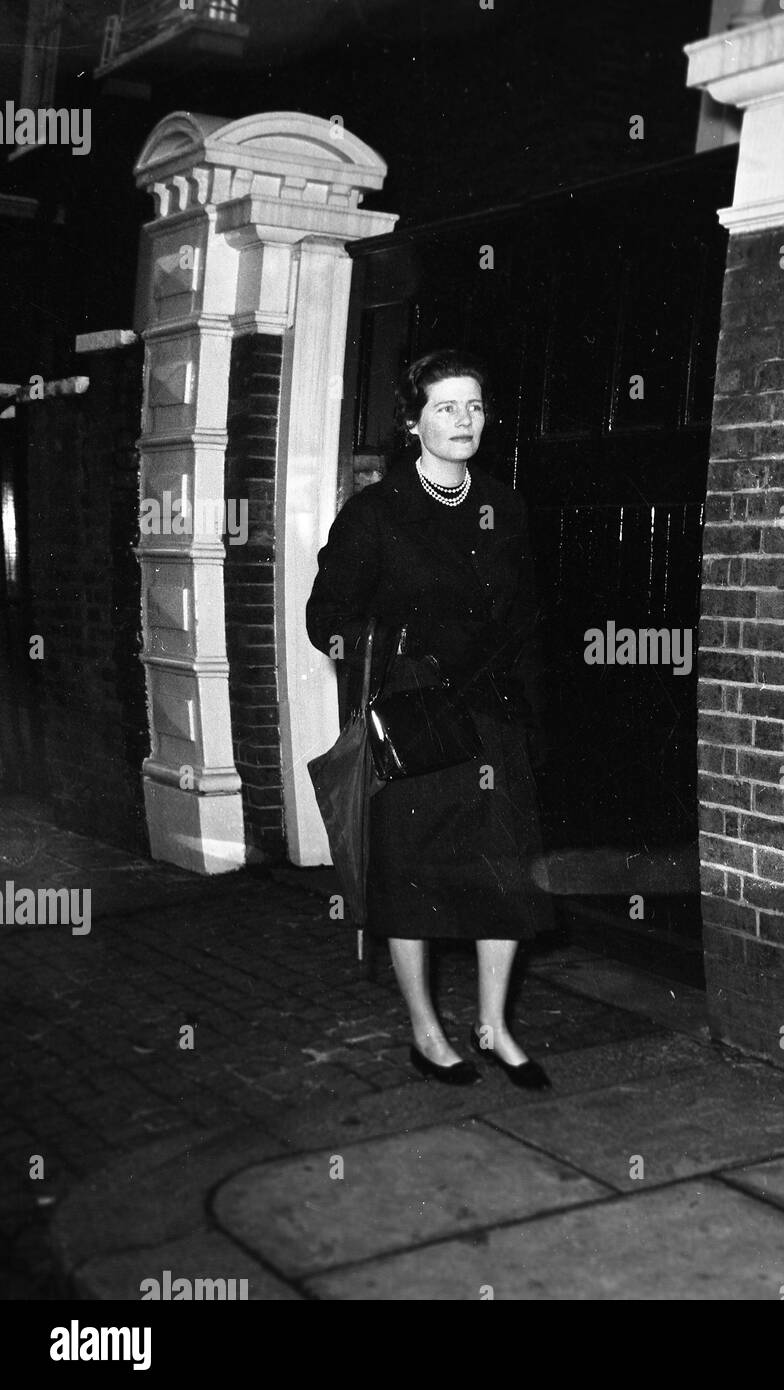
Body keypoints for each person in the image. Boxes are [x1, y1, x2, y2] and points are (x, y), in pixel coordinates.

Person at [306, 348, 554, 1089]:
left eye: (473, 406)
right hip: (414, 723)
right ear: (413, 423)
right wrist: (400, 654)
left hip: (491, 719)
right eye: (445, 407)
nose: (463, 421)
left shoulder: (503, 505)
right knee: (411, 880)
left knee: (505, 879)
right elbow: (328, 621)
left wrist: (532, 719)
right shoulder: (377, 514)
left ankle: (494, 1026)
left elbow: (527, 619)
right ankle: (425, 1030)